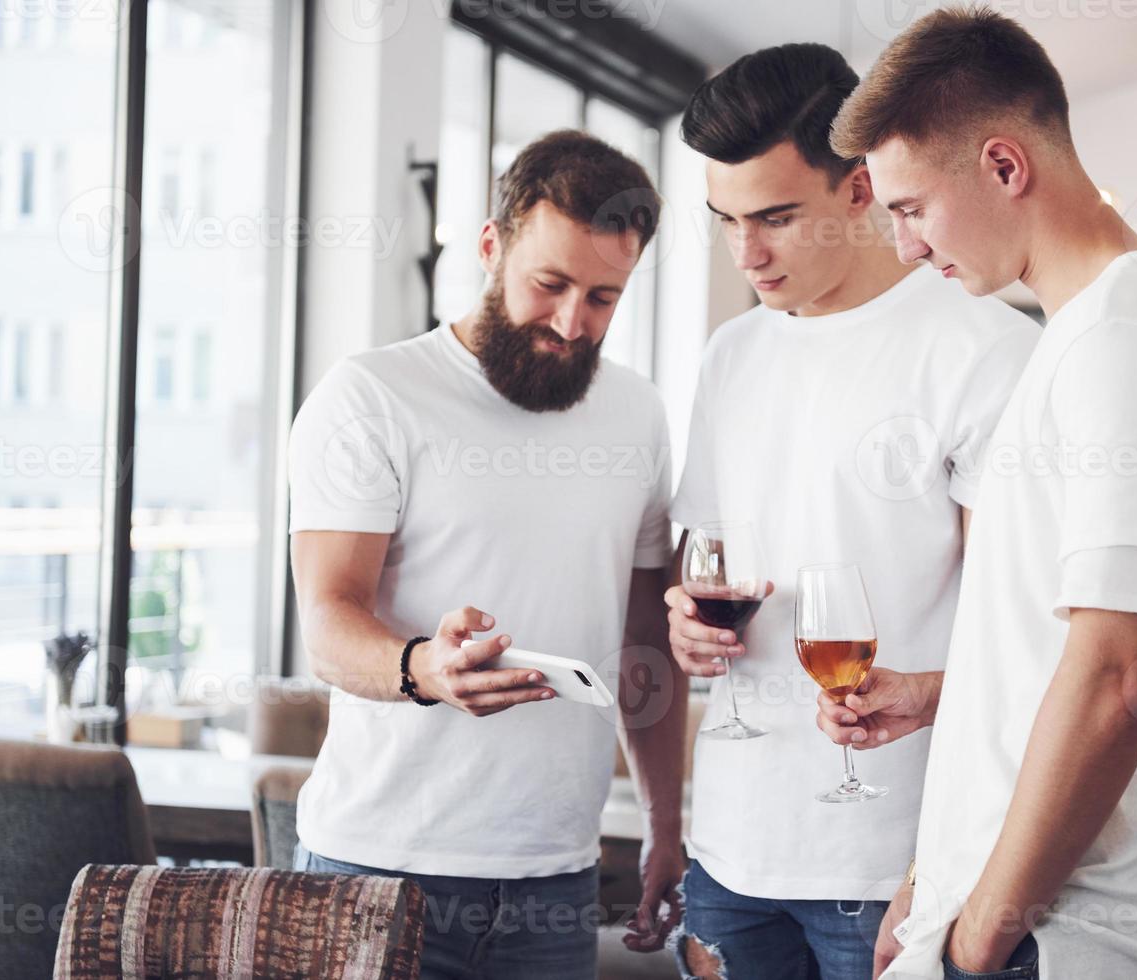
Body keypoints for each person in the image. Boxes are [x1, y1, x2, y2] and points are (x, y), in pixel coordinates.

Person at [820, 10, 1137, 979]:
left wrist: (977, 934)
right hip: (1003, 919)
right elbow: (1057, 648)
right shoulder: (1080, 335)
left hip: (1050, 939)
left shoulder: (1122, 340)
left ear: (1003, 166)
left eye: (909, 207)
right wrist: (934, 877)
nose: (899, 246)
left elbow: (1123, 677)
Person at [663, 43, 1039, 980]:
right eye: (725, 221)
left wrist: (951, 867)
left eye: (777, 218)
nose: (746, 253)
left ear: (862, 186)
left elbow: (1026, 636)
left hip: (903, 861)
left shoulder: (985, 349)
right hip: (732, 853)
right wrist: (687, 619)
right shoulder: (731, 354)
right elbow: (704, 561)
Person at [286, 130, 688, 980]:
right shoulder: (373, 397)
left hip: (555, 877)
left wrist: (665, 823)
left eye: (604, 298)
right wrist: (422, 667)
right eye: (550, 284)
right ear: (488, 246)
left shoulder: (637, 415)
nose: (573, 322)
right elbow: (327, 623)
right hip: (378, 868)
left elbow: (645, 633)